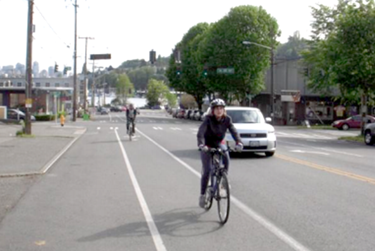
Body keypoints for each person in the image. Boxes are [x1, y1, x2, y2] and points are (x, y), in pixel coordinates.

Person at [197, 99, 243, 208]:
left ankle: (223, 180)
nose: (219, 110)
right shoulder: (207, 120)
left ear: (223, 110)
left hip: (218, 143)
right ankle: (203, 195)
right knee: (207, 170)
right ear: (212, 110)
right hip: (207, 145)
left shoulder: (227, 119)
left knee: (226, 155)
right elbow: (201, 133)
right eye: (217, 108)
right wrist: (201, 145)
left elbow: (234, 131)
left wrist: (239, 142)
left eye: (221, 108)